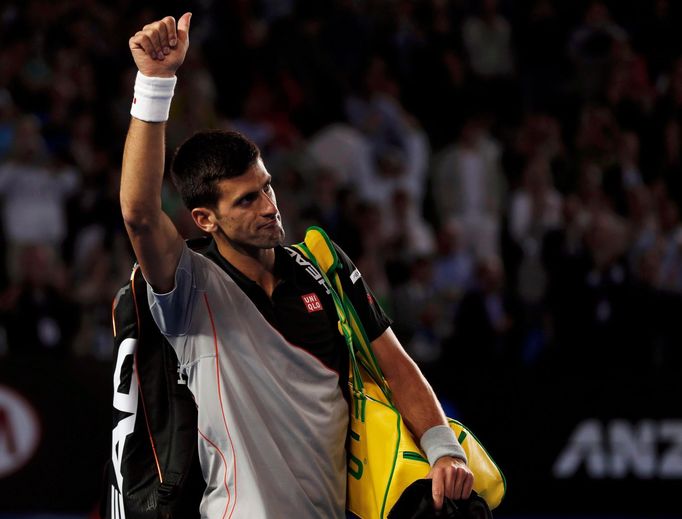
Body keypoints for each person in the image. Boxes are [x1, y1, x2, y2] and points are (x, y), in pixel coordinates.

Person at [121, 13, 474, 518]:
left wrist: (444, 452)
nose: (269, 206)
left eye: (267, 187)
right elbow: (138, 214)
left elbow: (395, 365)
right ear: (204, 220)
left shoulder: (322, 268)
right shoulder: (190, 289)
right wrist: (155, 84)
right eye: (246, 201)